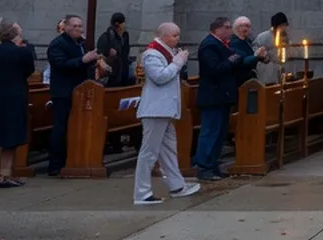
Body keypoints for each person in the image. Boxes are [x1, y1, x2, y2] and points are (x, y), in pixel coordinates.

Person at [133, 23, 201, 205]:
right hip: (155, 110)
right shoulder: (152, 54)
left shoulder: (166, 53)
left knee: (169, 149)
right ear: (163, 36)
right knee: (149, 152)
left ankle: (176, 186)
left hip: (165, 110)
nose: (177, 38)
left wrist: (177, 60)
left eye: (178, 35)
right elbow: (160, 77)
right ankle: (142, 193)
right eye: (174, 35)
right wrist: (178, 61)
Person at [194, 17, 263, 180]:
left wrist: (247, 59)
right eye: (227, 27)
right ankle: (204, 167)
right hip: (213, 96)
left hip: (223, 96)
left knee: (220, 132)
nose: (229, 31)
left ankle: (213, 165)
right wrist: (234, 59)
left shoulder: (222, 45)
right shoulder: (209, 45)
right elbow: (216, 69)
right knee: (210, 132)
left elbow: (236, 63)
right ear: (217, 29)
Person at [46, 14, 106, 176]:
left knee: (76, 125)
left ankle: (73, 158)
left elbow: (82, 62)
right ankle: (55, 164)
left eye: (80, 26)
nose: (79, 29)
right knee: (61, 126)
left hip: (80, 90)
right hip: (63, 91)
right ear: (65, 27)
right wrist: (83, 60)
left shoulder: (80, 43)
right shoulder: (57, 44)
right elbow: (62, 64)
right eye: (75, 26)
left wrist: (93, 60)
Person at [0, 19, 35, 188]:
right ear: (15, 34)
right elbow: (29, 71)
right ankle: (4, 175)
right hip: (14, 97)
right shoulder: (22, 53)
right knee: (10, 138)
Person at [96, 12, 133, 88]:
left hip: (123, 71)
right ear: (118, 24)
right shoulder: (107, 37)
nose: (124, 25)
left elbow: (125, 52)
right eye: (123, 23)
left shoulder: (125, 35)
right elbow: (100, 54)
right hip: (112, 73)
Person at [254, 12, 289, 84]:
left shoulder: (285, 37)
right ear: (276, 26)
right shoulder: (263, 37)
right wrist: (265, 56)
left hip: (280, 71)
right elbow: (255, 52)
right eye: (282, 25)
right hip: (266, 73)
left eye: (285, 25)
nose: (284, 27)